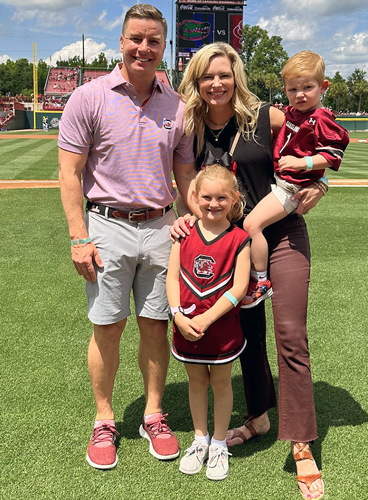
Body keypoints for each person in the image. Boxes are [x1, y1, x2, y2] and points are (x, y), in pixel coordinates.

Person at [174, 42, 329, 500]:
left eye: (223, 74)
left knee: (290, 334)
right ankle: (258, 416)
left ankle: (301, 443)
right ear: (197, 82)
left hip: (281, 235)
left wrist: (321, 180)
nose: (216, 83)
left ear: (235, 76)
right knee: (246, 333)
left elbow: (317, 136)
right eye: (207, 76)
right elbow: (186, 183)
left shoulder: (267, 116)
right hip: (230, 244)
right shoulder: (194, 128)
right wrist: (189, 216)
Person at [58, 4, 196, 470]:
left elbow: (186, 175)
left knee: (156, 325)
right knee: (108, 326)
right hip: (107, 226)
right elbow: (69, 173)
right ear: (121, 42)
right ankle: (104, 418)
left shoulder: (176, 105)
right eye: (135, 38)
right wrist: (79, 236)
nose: (143, 47)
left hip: (161, 227)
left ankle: (154, 414)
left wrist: (196, 229)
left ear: (164, 47)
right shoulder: (89, 97)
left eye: (153, 40)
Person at [241, 51, 349, 307]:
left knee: (251, 225)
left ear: (323, 87)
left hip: (290, 188)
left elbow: (334, 154)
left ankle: (261, 281)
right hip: (279, 183)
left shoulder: (321, 118)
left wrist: (306, 164)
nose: (300, 94)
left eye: (307, 87)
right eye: (292, 89)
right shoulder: (293, 112)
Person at [166, 164, 250, 480]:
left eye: (221, 198)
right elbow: (172, 277)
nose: (213, 204)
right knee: (197, 382)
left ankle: (218, 443)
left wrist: (206, 317)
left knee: (221, 383)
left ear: (234, 199)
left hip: (221, 328)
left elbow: (239, 288)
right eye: (206, 197)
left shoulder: (240, 238)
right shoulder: (183, 232)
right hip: (186, 325)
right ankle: (199, 440)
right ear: (194, 197)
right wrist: (177, 314)